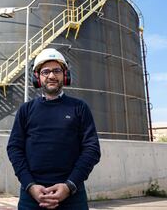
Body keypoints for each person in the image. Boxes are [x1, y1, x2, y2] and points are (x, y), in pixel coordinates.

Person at [7, 48, 101, 209]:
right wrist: (30, 185)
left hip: (72, 196)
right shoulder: (26, 110)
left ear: (65, 74)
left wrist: (69, 185)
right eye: (46, 72)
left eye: (57, 70)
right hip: (31, 197)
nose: (51, 76)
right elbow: (14, 149)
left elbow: (91, 149)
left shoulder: (79, 108)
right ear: (37, 77)